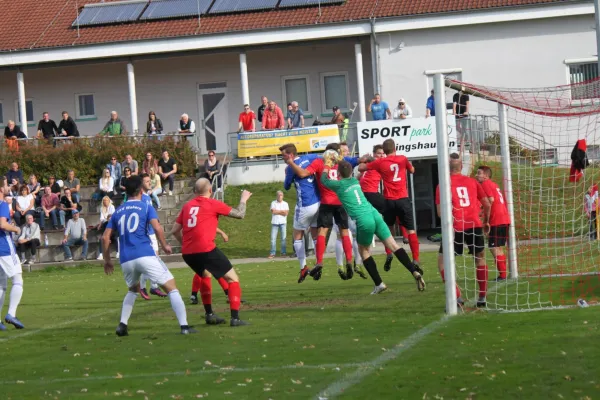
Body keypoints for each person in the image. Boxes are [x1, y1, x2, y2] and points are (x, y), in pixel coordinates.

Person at [102, 175, 194, 336]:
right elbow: (157, 228)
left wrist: (107, 261)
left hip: (125, 259)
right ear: (140, 190)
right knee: (172, 287)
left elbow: (105, 237)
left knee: (132, 290)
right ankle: (184, 327)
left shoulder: (118, 211)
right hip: (144, 254)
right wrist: (165, 244)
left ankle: (122, 325)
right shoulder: (146, 206)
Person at [322, 159, 425, 294]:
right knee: (394, 245)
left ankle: (379, 283)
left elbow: (324, 180)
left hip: (364, 219)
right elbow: (351, 173)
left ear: (338, 173)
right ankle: (414, 271)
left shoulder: (339, 185)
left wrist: (326, 166)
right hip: (375, 215)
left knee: (363, 251)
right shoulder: (354, 181)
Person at [171, 178, 252, 327]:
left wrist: (185, 243)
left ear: (195, 192)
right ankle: (235, 318)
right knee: (233, 279)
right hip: (205, 249)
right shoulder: (212, 203)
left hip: (188, 253)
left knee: (205, 275)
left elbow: (174, 230)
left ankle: (209, 315)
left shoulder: (187, 206)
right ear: (210, 191)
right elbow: (240, 214)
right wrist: (243, 199)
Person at [285, 143, 357, 281]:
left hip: (325, 202)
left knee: (321, 232)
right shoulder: (342, 163)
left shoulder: (320, 162)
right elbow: (356, 163)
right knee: (344, 233)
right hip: (341, 202)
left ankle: (319, 262)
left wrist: (291, 165)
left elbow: (304, 173)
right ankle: (348, 260)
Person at [435, 153, 491, 309]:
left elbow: (440, 213)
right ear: (461, 166)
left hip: (455, 227)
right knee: (479, 258)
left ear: (447, 166)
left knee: (442, 260)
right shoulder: (473, 182)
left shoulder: (443, 185)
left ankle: (457, 296)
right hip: (474, 224)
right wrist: (485, 221)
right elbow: (487, 204)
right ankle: (482, 296)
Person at [358, 139, 422, 274]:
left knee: (388, 229)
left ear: (384, 152)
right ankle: (416, 259)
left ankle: (389, 253)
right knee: (411, 230)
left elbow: (360, 169)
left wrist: (366, 161)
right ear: (395, 148)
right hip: (403, 199)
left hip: (389, 200)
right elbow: (412, 170)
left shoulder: (380, 162)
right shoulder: (403, 159)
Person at [280, 144, 320, 283]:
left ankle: (303, 267)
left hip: (305, 205)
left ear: (290, 155)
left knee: (297, 235)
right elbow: (320, 158)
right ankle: (318, 262)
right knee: (315, 233)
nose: (282, 158)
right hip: (317, 202)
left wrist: (287, 173)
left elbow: (286, 186)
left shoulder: (291, 168)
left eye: (284, 155)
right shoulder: (309, 157)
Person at [476, 166, 511, 281]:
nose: (477, 175)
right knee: (498, 247)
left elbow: (490, 200)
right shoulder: (494, 184)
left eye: (479, 173)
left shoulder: (485, 184)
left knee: (493, 247)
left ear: (486, 175)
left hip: (496, 219)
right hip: (504, 218)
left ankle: (503, 275)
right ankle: (503, 274)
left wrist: (483, 214)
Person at [138, 173, 168, 300]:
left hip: (151, 232)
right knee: (152, 260)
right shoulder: (141, 199)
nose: (149, 183)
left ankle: (152, 286)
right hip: (147, 234)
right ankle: (144, 286)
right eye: (146, 181)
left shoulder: (147, 197)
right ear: (141, 184)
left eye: (149, 181)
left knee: (154, 259)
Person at [0, 188, 25, 330]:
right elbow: (2, 224)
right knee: (17, 280)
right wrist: (15, 229)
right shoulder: (2, 204)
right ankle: (11, 314)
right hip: (4, 249)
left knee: (1, 285)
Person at [95, 196, 117, 261]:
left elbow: (112, 216)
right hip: (105, 223)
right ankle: (101, 254)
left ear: (109, 201)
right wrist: (100, 224)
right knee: (101, 239)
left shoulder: (112, 207)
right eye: (104, 201)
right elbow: (102, 218)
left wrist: (107, 219)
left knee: (116, 238)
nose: (105, 202)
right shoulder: (102, 208)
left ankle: (118, 252)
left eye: (106, 200)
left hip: (112, 224)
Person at [269, 191, 289, 258]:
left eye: (281, 195)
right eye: (279, 195)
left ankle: (283, 253)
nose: (280, 196)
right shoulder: (273, 203)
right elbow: (273, 212)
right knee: (273, 238)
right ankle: (272, 253)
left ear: (283, 196)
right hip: (275, 222)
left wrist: (277, 211)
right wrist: (281, 211)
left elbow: (286, 213)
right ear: (277, 196)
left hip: (283, 223)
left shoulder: (285, 204)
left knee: (283, 238)